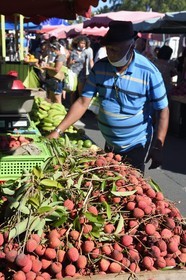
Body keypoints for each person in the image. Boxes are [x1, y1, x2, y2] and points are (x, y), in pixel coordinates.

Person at [47, 21, 169, 173]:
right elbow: (83, 102)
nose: (111, 53)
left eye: (116, 50)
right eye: (109, 49)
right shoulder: (100, 67)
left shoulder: (149, 73)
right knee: (109, 177)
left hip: (136, 144)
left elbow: (163, 110)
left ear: (132, 46)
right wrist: (58, 131)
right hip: (110, 143)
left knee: (129, 185)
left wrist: (158, 146)